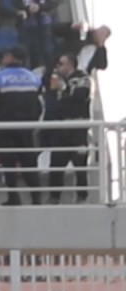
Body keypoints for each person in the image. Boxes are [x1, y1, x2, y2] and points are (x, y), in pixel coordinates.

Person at [0, 46, 44, 205]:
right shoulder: (34, 78)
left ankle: (13, 197)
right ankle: (36, 198)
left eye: (6, 55)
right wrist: (35, 123)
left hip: (4, 127)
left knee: (8, 163)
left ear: (11, 57)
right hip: (26, 128)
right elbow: (40, 105)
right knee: (29, 163)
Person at [44, 54, 91, 203]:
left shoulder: (82, 78)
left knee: (80, 164)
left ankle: (82, 197)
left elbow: (79, 96)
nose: (58, 67)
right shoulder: (57, 80)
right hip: (60, 127)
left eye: (60, 63)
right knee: (56, 164)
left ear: (70, 65)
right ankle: (54, 197)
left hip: (77, 127)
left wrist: (63, 87)